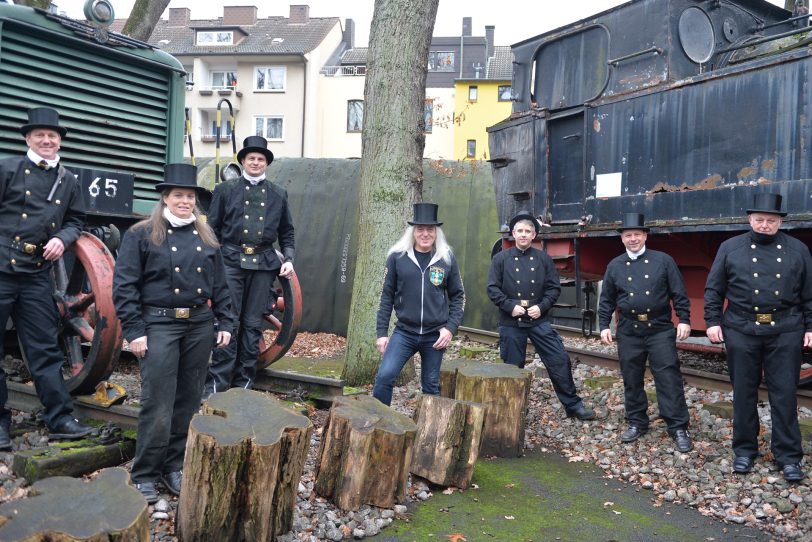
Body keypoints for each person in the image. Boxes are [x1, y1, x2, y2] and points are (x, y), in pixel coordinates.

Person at [113, 163, 234, 503]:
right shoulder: (141, 234)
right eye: (178, 195)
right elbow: (124, 287)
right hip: (159, 324)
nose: (185, 201)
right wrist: (134, 331)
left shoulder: (206, 236)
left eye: (190, 196)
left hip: (198, 324)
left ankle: (173, 466)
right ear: (165, 198)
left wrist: (225, 322)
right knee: (158, 401)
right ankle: (145, 473)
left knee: (188, 400)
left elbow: (221, 284)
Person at [0, 107, 94, 449]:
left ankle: (59, 418)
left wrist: (63, 239)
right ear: (27, 138)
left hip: (37, 274)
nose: (46, 140)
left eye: (52, 136)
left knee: (44, 349)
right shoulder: (7, 168)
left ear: (59, 142)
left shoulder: (68, 181)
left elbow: (76, 219)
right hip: (2, 268)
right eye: (39, 135)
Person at [705, 193, 812, 481]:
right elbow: (714, 289)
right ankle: (744, 451)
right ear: (750, 219)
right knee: (743, 393)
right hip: (741, 329)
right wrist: (712, 321)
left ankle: (788, 457)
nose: (765, 225)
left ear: (780, 222)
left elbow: (808, 293)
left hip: (785, 330)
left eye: (771, 220)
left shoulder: (798, 249)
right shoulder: (730, 248)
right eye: (760, 220)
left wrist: (811, 327)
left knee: (785, 395)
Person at [204, 135, 295, 395]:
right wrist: (212, 260)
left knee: (253, 323)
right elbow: (212, 229)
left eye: (261, 159)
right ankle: (217, 384)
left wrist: (288, 258)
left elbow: (287, 232)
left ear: (266, 163)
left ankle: (244, 382)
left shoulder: (279, 194)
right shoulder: (225, 191)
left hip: (264, 263)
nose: (256, 162)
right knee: (228, 321)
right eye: (251, 158)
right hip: (230, 262)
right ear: (243, 161)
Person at [598, 213, 693, 452]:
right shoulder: (615, 265)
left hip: (659, 327)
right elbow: (607, 299)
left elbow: (679, 292)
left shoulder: (663, 260)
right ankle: (637, 422)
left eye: (637, 235)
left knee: (668, 377)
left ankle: (678, 426)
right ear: (622, 238)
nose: (633, 239)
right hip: (629, 329)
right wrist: (603, 326)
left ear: (645, 236)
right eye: (628, 235)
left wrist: (684, 319)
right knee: (631, 377)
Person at [487, 211, 594, 420]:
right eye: (520, 231)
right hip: (511, 320)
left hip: (538, 319)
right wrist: (510, 306)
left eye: (528, 231)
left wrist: (542, 307)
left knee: (559, 359)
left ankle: (573, 406)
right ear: (513, 233)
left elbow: (554, 289)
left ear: (534, 234)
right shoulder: (500, 259)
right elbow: (492, 289)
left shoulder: (544, 259)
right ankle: (513, 410)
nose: (524, 235)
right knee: (512, 367)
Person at [372, 203, 465, 406]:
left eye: (430, 230)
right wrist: (381, 333)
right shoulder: (397, 257)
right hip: (405, 332)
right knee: (385, 376)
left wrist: (449, 329)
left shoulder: (446, 258)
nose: (425, 234)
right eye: (420, 229)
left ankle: (429, 434)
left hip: (435, 335)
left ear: (436, 232)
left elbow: (459, 296)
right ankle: (380, 425)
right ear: (413, 232)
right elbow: (386, 296)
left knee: (431, 385)